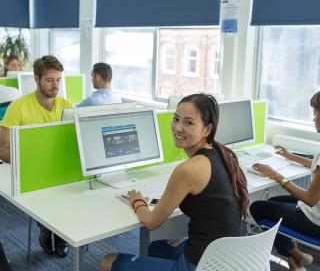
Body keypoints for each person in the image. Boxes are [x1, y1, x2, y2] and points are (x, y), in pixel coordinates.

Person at [100, 93, 249, 271]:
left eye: (188, 122)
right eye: (176, 119)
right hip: (228, 261)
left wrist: (137, 202)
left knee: (107, 261)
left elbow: (152, 222)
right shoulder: (221, 154)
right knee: (155, 248)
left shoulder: (188, 170)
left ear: (207, 129)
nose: (178, 128)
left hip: (202, 265)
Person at [0, 55, 74, 259]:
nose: (55, 85)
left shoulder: (68, 105)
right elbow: (3, 147)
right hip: (31, 170)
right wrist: (32, 160)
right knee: (46, 193)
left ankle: (61, 234)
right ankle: (46, 229)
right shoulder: (19, 106)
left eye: (58, 80)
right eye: (49, 80)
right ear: (36, 79)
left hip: (61, 168)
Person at [250, 91, 320, 271]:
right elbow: (315, 165)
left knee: (257, 208)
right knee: (272, 203)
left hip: (315, 219)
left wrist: (276, 176)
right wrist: (291, 156)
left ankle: (295, 260)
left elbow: (310, 199)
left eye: (315, 113)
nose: (313, 119)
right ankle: (299, 257)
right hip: (316, 210)